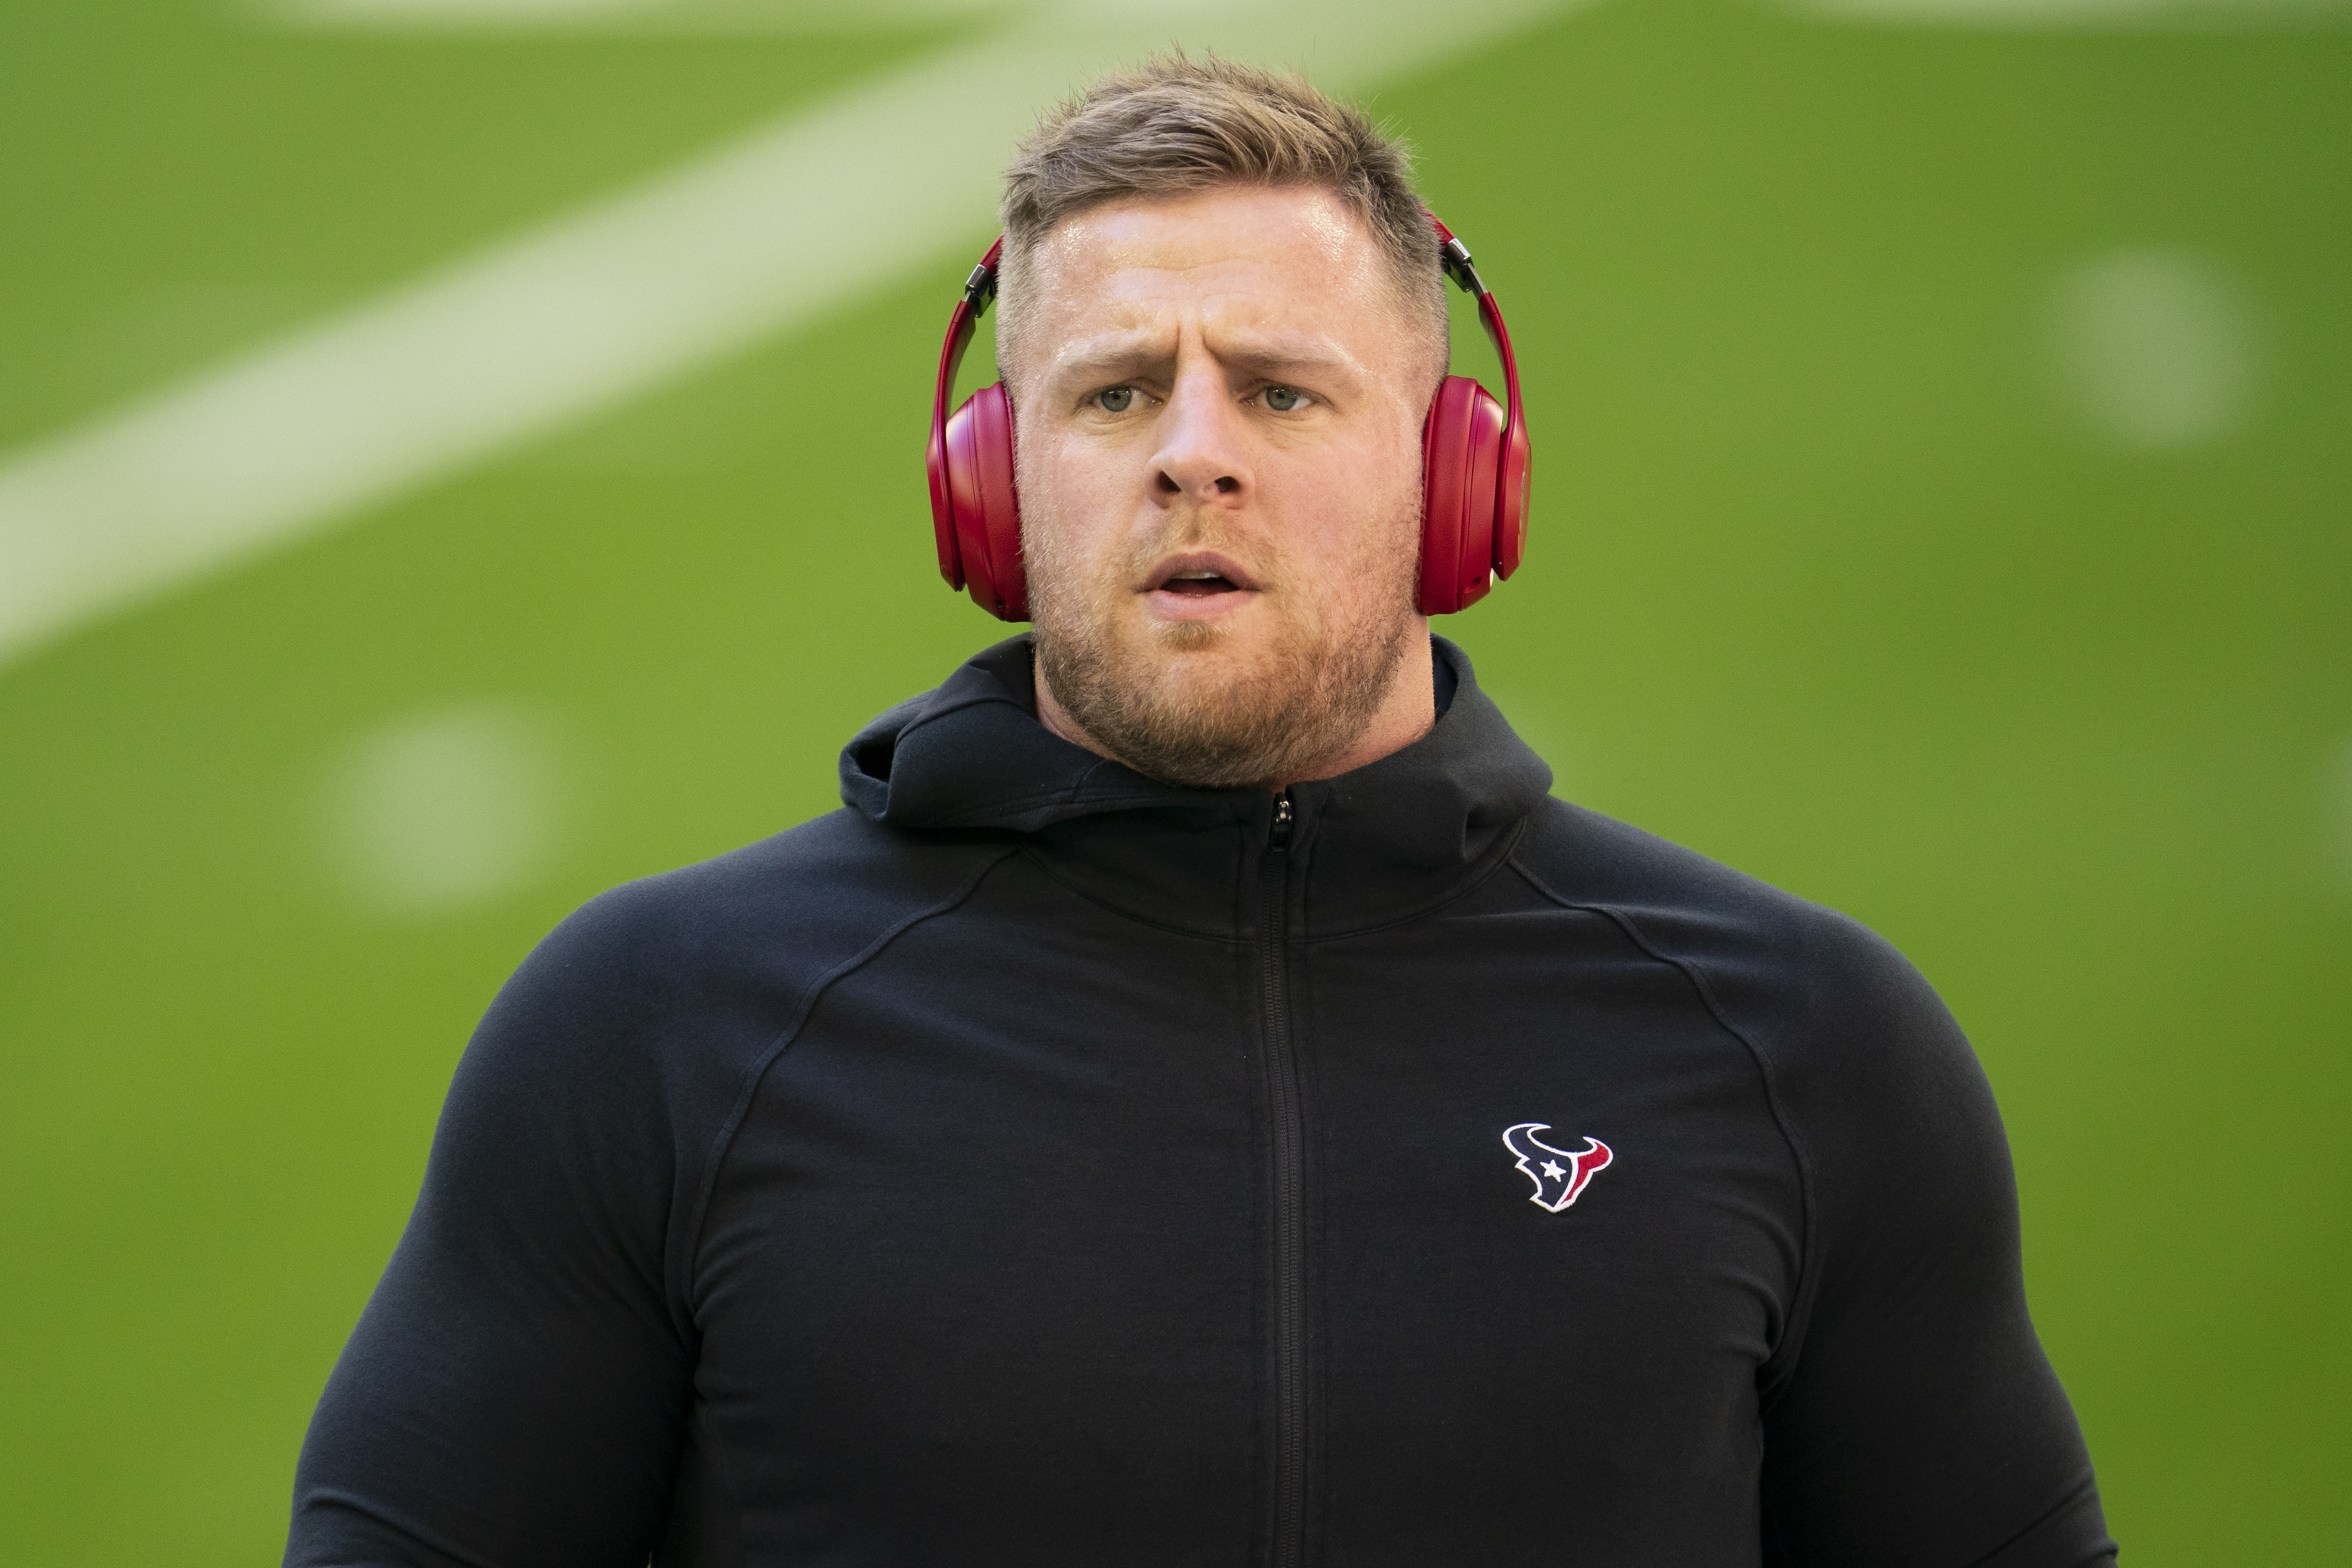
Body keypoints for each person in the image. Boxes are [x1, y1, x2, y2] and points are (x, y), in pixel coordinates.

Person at [287, 55, 2116, 1568]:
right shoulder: (652, 1031)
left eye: (1279, 389)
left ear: (1453, 469)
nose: (1190, 449)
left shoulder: (1799, 1051)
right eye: (1109, 393)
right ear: (992, 494)